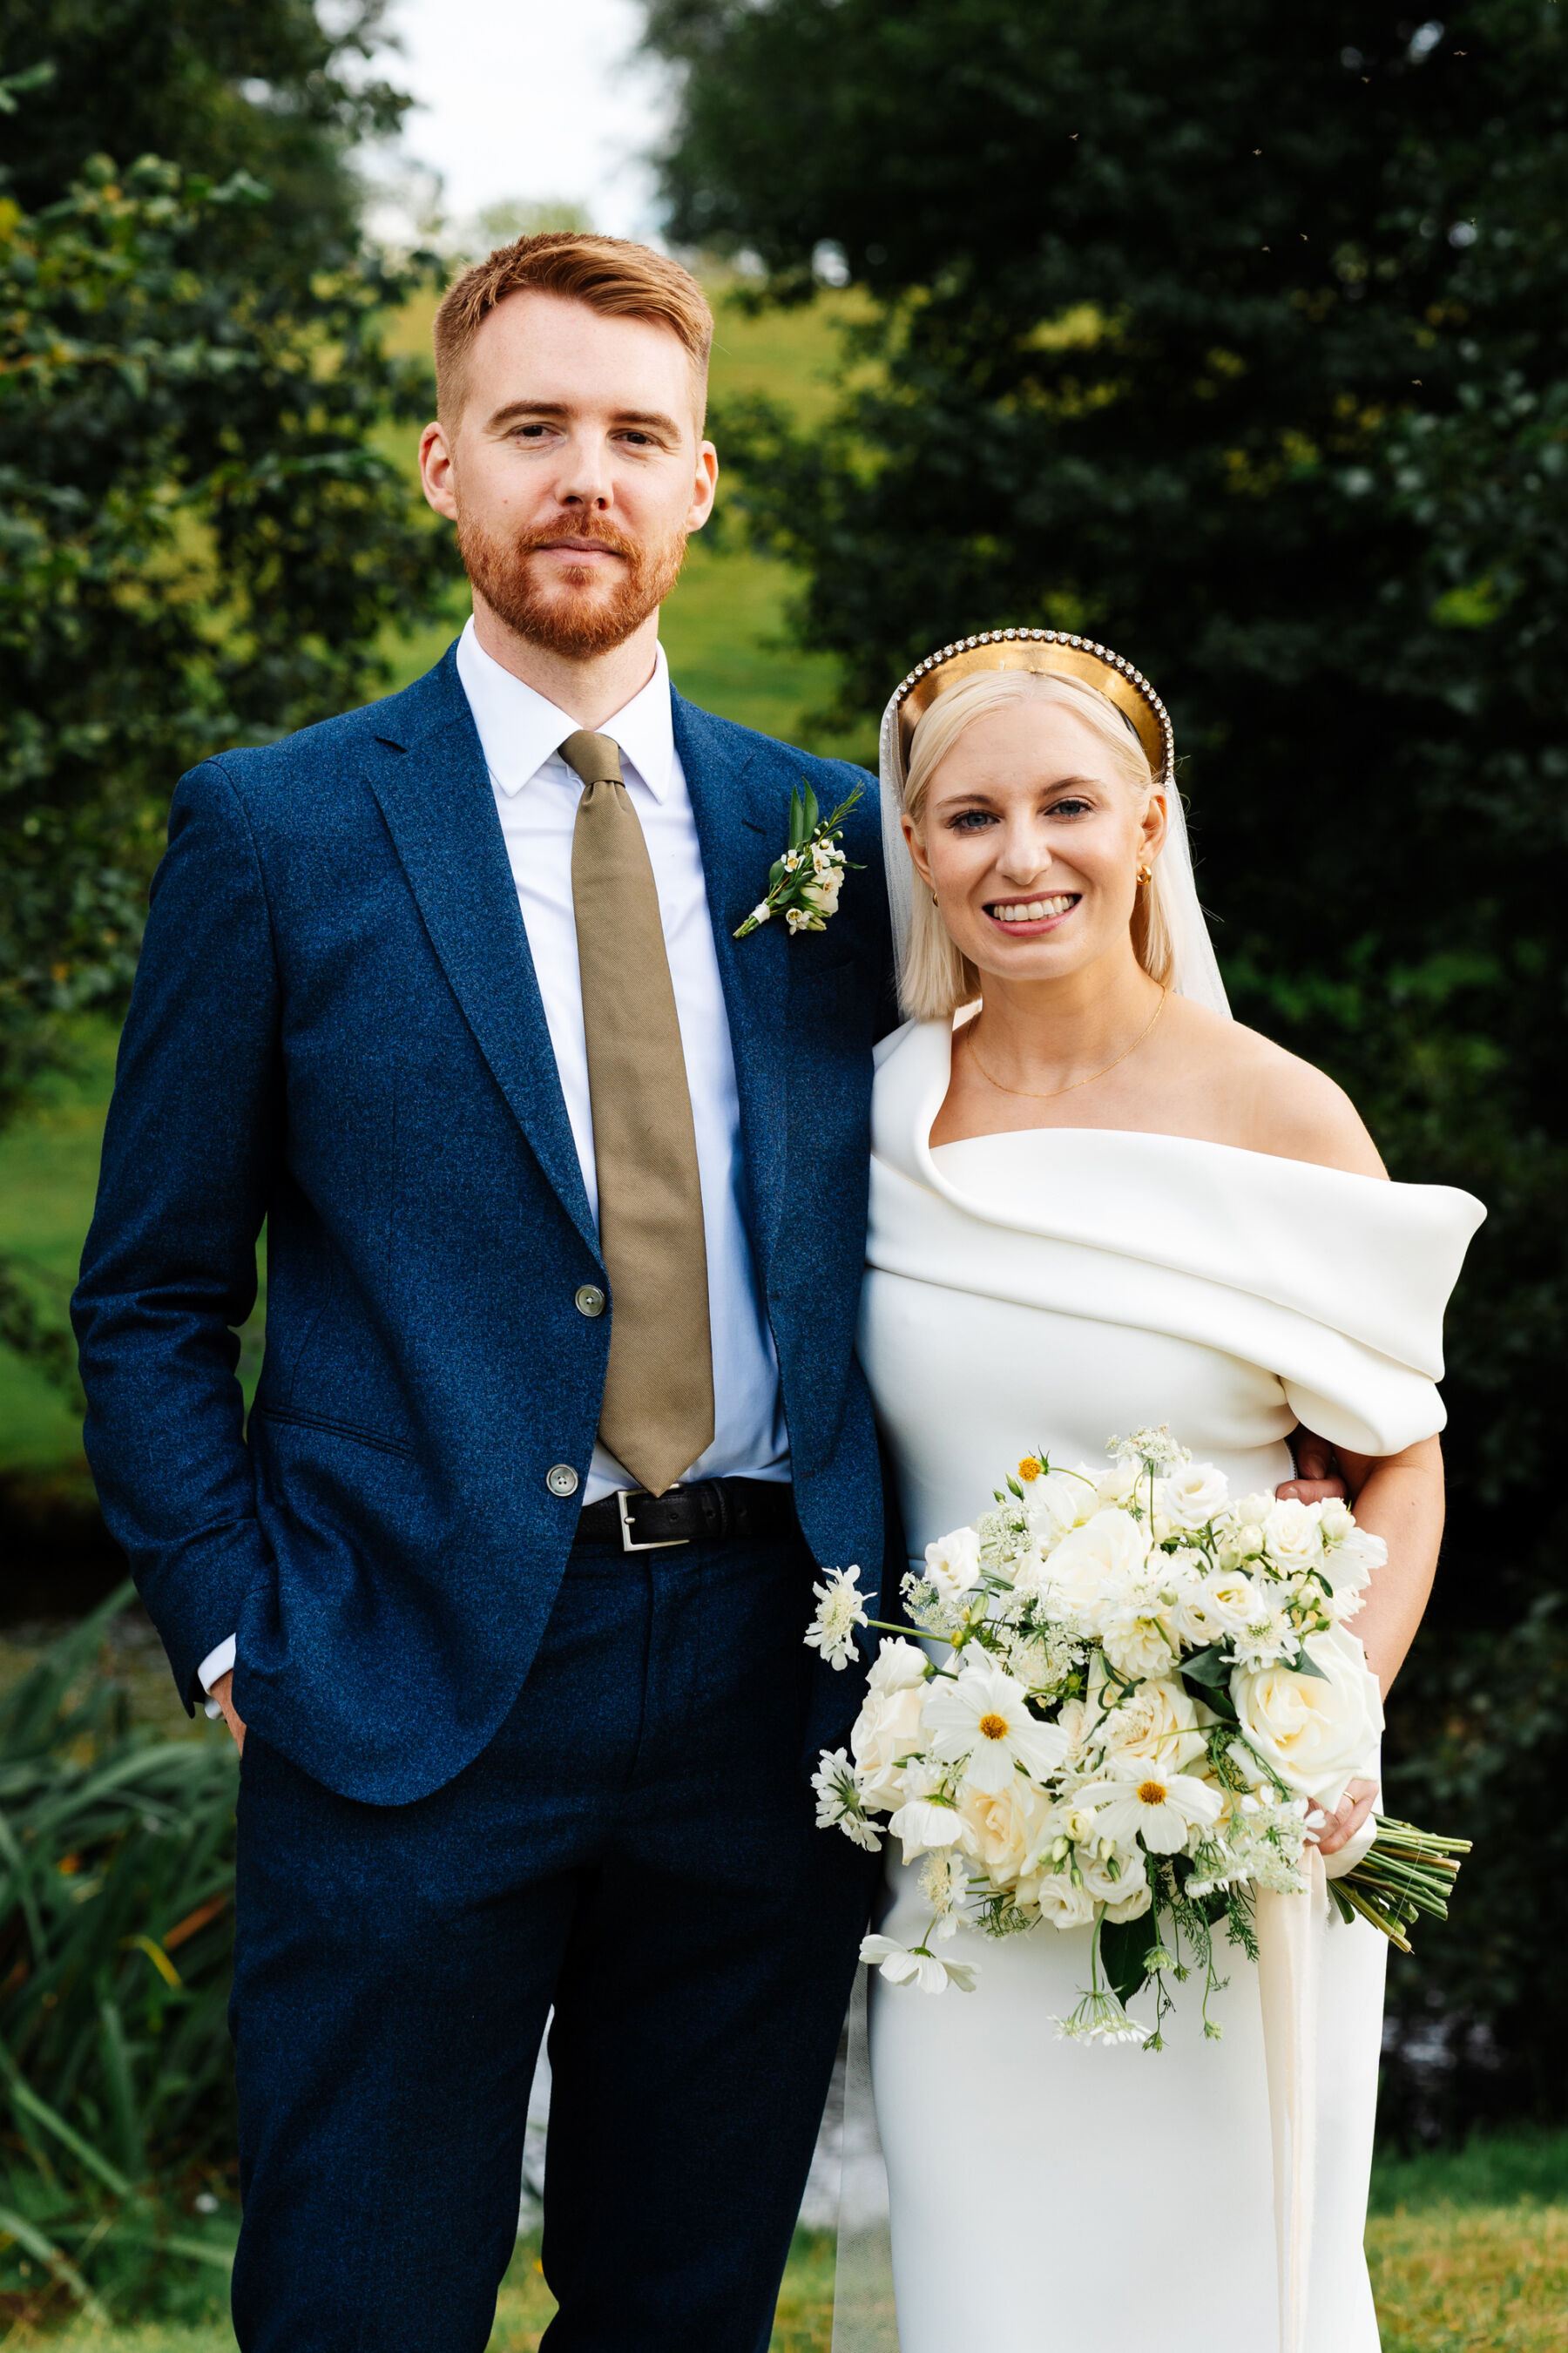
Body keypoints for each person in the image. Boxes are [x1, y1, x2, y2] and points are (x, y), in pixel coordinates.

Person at [71, 233, 895, 2353]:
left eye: (636, 435)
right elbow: (151, 1291)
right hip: (399, 1669)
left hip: (758, 1675)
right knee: (360, 2300)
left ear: (704, 484)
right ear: (448, 465)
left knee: (681, 2303)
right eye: (534, 429)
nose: (584, 477)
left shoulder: (836, 846)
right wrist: (240, 1621)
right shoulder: (274, 835)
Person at [856, 632, 1484, 2352]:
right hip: (965, 1849)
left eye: (1069, 805)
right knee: (988, 2302)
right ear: (918, 851)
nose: (1022, 854)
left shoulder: (1277, 1115)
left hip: (1233, 1840)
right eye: (970, 815)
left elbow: (1397, 1464)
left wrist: (1329, 1718)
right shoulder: (887, 1117)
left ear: (1150, 825)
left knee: (1232, 2298)